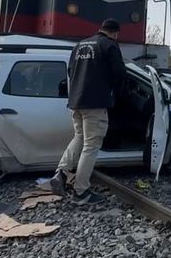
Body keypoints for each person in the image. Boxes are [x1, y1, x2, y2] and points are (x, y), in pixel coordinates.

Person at [50, 19, 127, 205]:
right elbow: (120, 74)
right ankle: (81, 192)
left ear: (101, 29)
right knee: (91, 146)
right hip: (95, 103)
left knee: (79, 138)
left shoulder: (79, 45)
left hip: (76, 101)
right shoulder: (109, 45)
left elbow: (70, 71)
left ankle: (60, 174)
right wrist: (118, 95)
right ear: (115, 33)